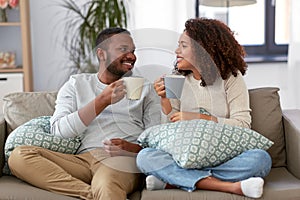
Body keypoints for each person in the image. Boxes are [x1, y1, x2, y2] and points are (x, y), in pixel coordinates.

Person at [8, 27, 161, 200]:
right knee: (19, 156)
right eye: (123, 49)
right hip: (82, 160)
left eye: (133, 51)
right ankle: (91, 195)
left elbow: (154, 140)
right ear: (101, 54)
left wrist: (131, 149)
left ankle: (98, 192)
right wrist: (101, 101)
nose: (132, 56)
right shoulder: (76, 84)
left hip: (121, 159)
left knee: (106, 184)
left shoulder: (145, 88)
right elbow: (59, 131)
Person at [136, 18, 272, 199]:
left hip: (224, 156)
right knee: (145, 156)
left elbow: (243, 125)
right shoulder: (176, 79)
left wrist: (199, 118)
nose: (176, 51)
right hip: (185, 157)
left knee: (260, 159)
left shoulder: (231, 78)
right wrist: (164, 100)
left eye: (183, 46)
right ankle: (230, 187)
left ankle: (174, 180)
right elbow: (169, 130)